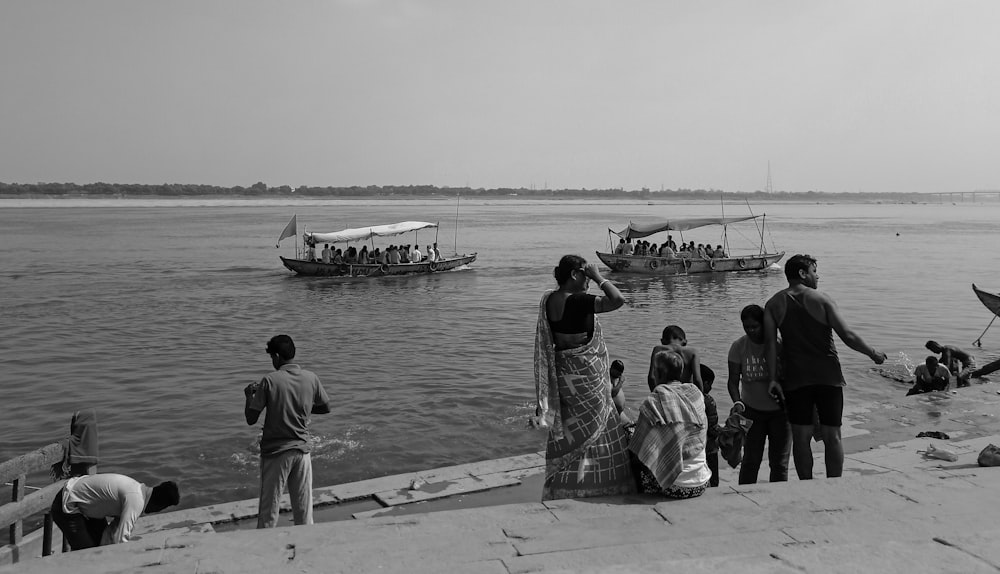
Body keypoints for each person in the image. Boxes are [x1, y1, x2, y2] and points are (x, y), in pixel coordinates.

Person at [764, 254, 886, 480]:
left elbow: (770, 346)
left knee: (801, 437)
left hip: (796, 378)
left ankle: (806, 484)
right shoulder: (823, 300)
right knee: (833, 435)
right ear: (802, 273)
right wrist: (873, 353)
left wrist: (773, 379)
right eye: (814, 271)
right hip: (828, 376)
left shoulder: (773, 304)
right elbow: (847, 336)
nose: (817, 275)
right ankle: (834, 484)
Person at [533, 254, 634, 500]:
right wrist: (599, 277)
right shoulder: (578, 301)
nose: (588, 279)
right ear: (575, 275)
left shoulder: (549, 299)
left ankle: (563, 484)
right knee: (596, 427)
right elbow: (618, 299)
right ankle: (596, 484)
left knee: (569, 427)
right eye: (585, 274)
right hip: (587, 378)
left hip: (565, 376)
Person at [245, 335, 331, 528]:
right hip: (302, 452)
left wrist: (248, 396)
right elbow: (326, 407)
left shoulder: (269, 380)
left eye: (271, 358)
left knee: (268, 513)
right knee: (304, 513)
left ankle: (266, 551)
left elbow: (251, 419)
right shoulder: (311, 378)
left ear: (276, 356)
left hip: (276, 453)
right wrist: (304, 408)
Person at [628, 351, 711, 498]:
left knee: (632, 443)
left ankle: (642, 492)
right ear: (681, 372)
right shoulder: (695, 394)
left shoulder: (652, 402)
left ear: (657, 374)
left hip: (674, 487)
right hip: (702, 483)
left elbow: (639, 449)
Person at [727, 304, 790, 484]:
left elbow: (789, 376)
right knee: (750, 460)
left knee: (779, 462)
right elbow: (733, 381)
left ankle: (777, 497)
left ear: (764, 324)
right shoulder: (738, 346)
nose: (751, 331)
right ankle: (745, 495)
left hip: (780, 412)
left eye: (755, 326)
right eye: (747, 327)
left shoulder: (778, 345)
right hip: (752, 412)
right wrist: (737, 402)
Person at [50, 473, 179, 550]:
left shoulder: (137, 488)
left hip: (85, 505)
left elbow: (113, 533)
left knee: (99, 546)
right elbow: (121, 540)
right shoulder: (136, 500)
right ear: (159, 506)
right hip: (67, 505)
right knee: (86, 553)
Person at [647, 325, 703, 392]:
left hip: (665, 392)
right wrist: (701, 397)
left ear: (662, 341)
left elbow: (652, 377)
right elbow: (697, 379)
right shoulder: (693, 352)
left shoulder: (658, 349)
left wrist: (655, 394)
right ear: (685, 341)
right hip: (686, 393)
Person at [701, 364, 721, 487]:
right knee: (713, 482)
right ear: (704, 382)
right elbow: (713, 427)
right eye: (709, 384)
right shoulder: (708, 400)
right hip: (709, 449)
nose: (711, 387)